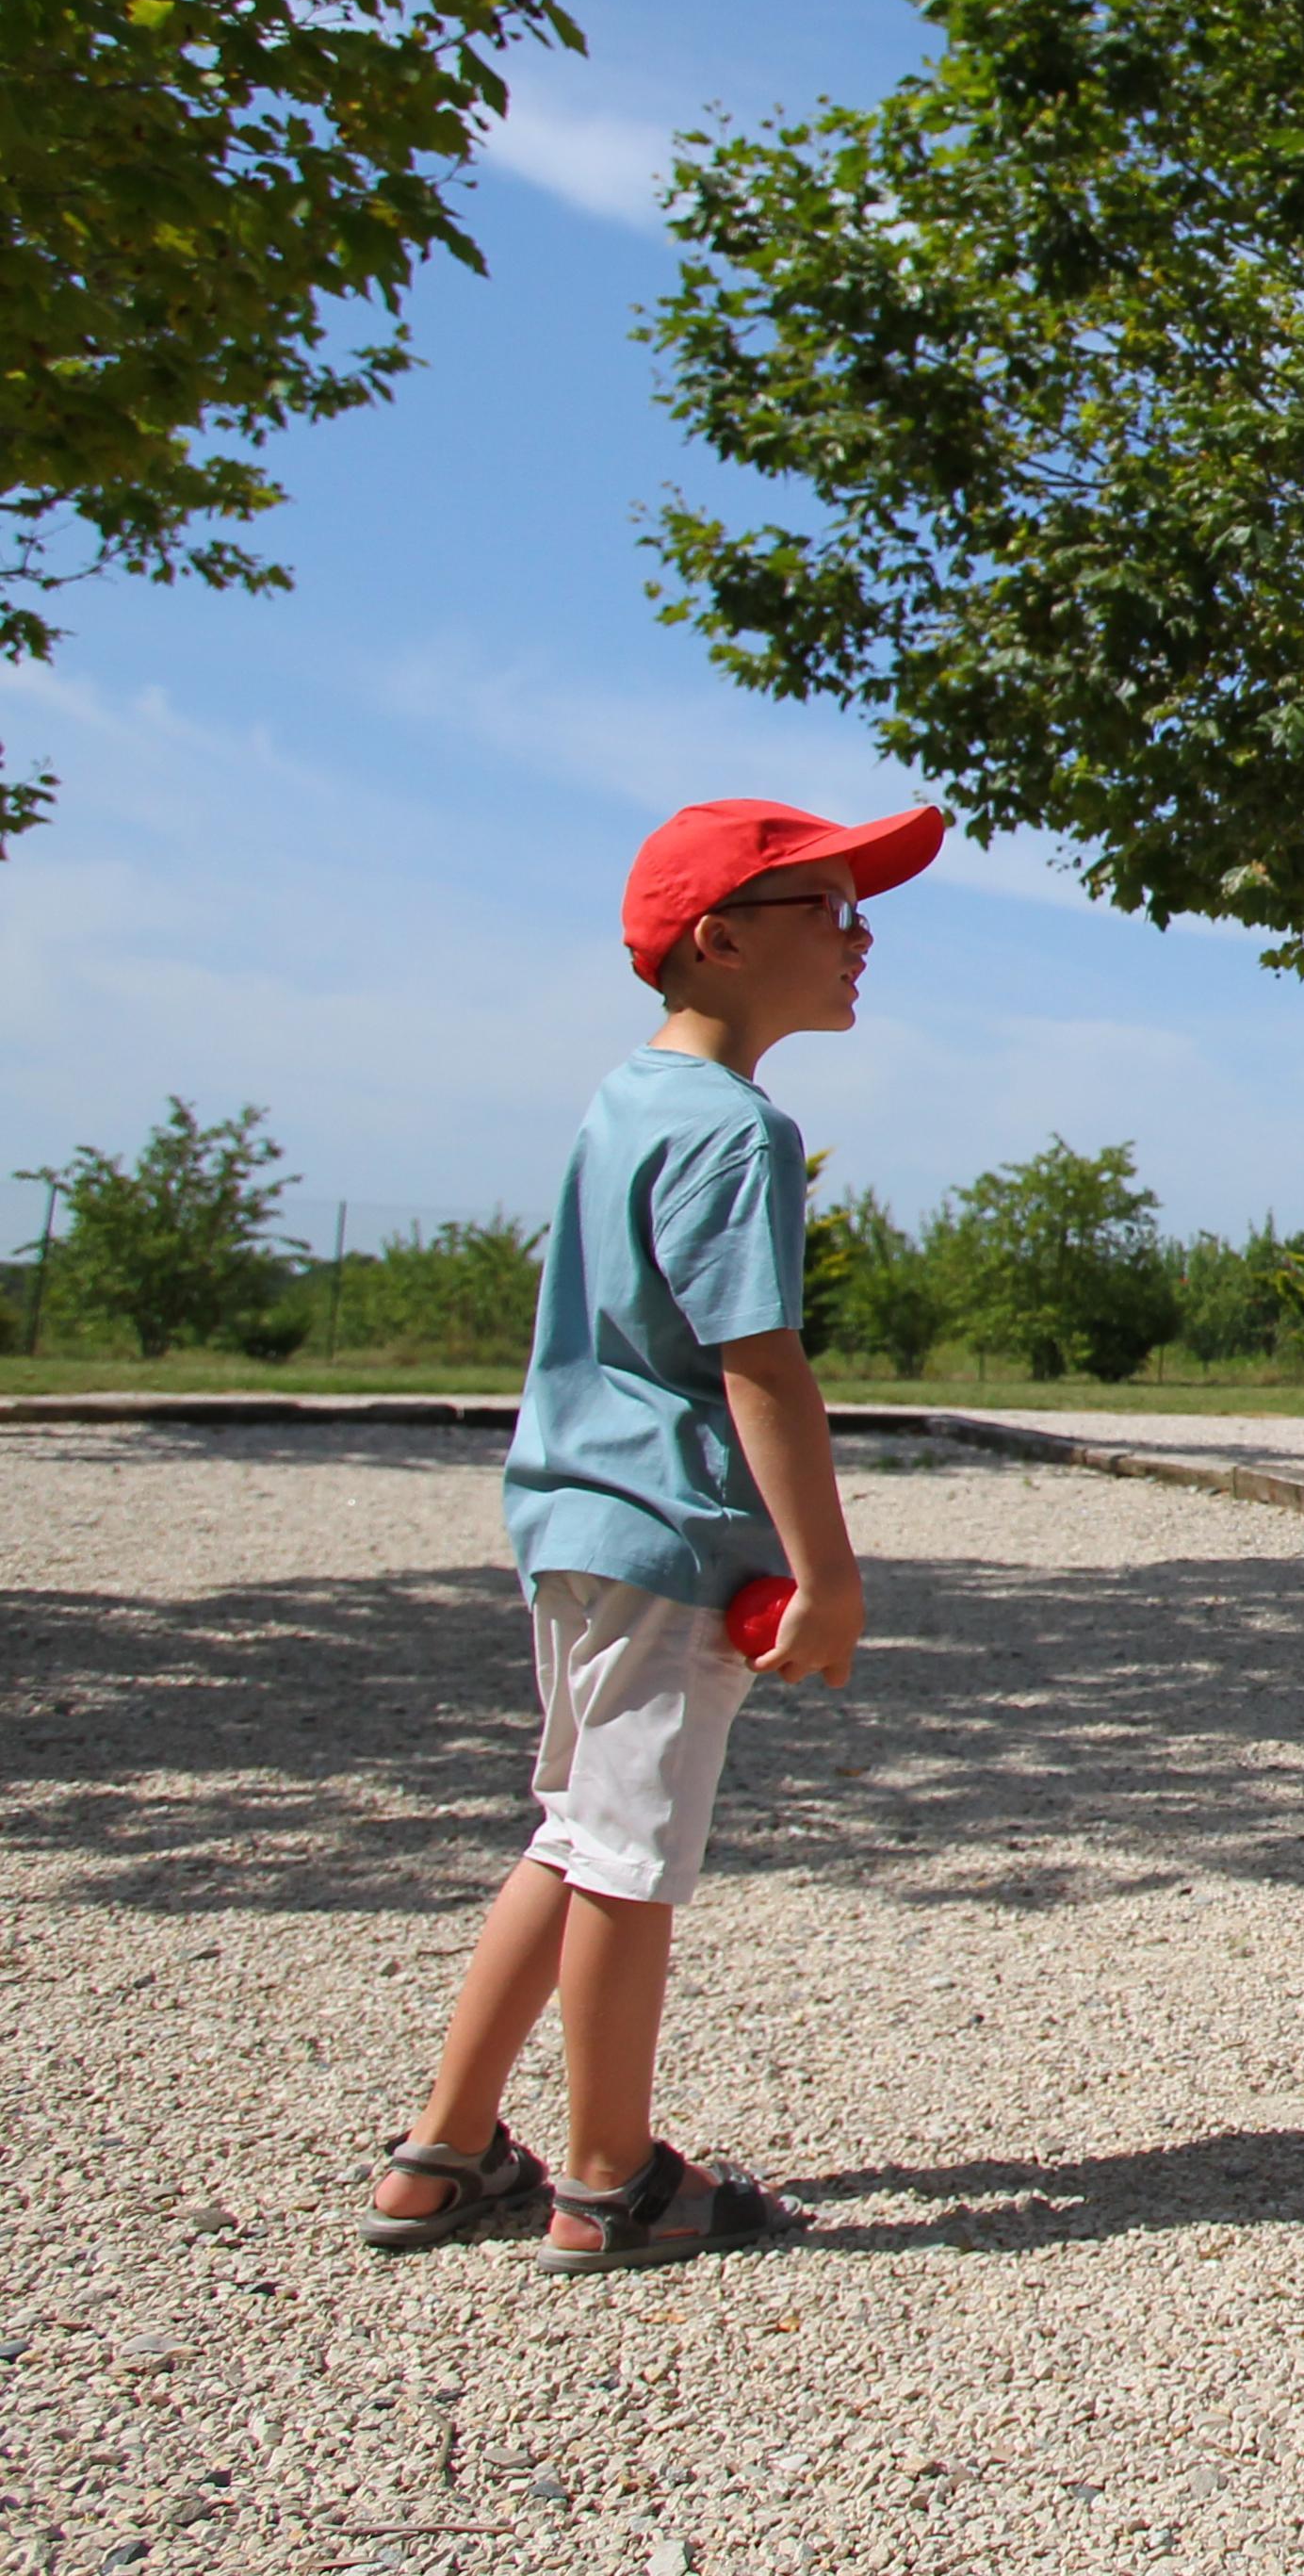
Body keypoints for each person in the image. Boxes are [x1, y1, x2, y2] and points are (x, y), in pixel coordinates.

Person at [359, 796, 943, 2271]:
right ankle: (613, 2183)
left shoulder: (626, 1099)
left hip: (572, 1524)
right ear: (722, 939)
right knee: (629, 1854)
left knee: (569, 1833)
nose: (861, 935)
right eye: (830, 908)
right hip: (668, 1537)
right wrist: (828, 1570)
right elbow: (759, 1362)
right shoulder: (741, 1131)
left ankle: (446, 2152)